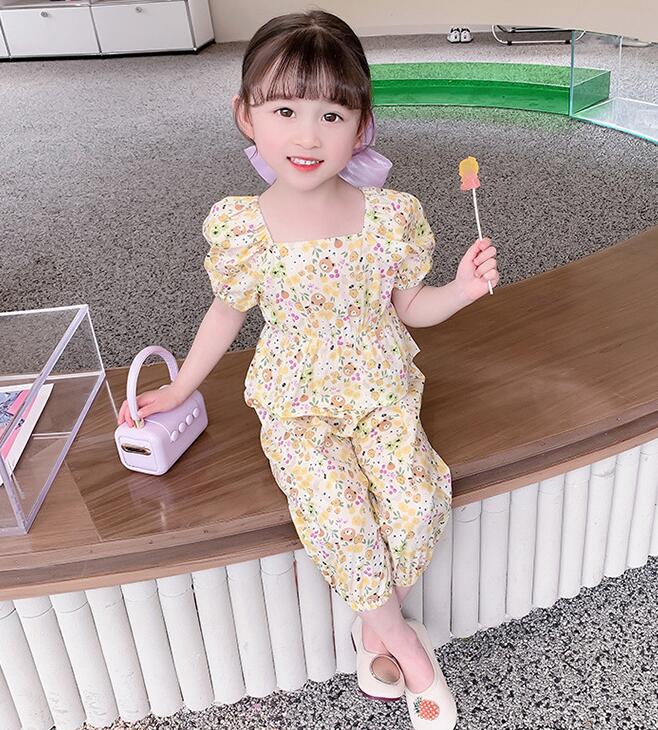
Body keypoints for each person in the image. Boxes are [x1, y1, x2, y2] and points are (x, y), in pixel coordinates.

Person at [117, 9, 499, 729]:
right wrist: (180, 386)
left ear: (362, 126)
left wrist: (461, 290)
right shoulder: (245, 227)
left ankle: (374, 628)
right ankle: (409, 652)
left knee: (419, 504)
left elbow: (412, 308)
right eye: (285, 110)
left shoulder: (389, 217)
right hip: (298, 406)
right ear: (247, 116)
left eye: (332, 114)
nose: (307, 135)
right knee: (340, 515)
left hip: (382, 392)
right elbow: (225, 314)